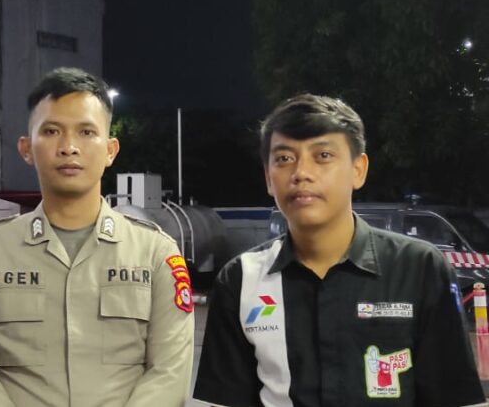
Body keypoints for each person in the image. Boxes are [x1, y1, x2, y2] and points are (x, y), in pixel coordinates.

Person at [193, 93, 485, 406]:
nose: (301, 172)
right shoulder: (240, 280)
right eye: (284, 158)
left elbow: (454, 396)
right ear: (268, 178)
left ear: (358, 169)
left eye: (323, 155)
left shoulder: (419, 268)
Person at [0, 67, 194, 407]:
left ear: (110, 150)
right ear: (26, 148)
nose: (69, 147)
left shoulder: (156, 253)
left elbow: (169, 372)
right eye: (51, 131)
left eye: (86, 132)